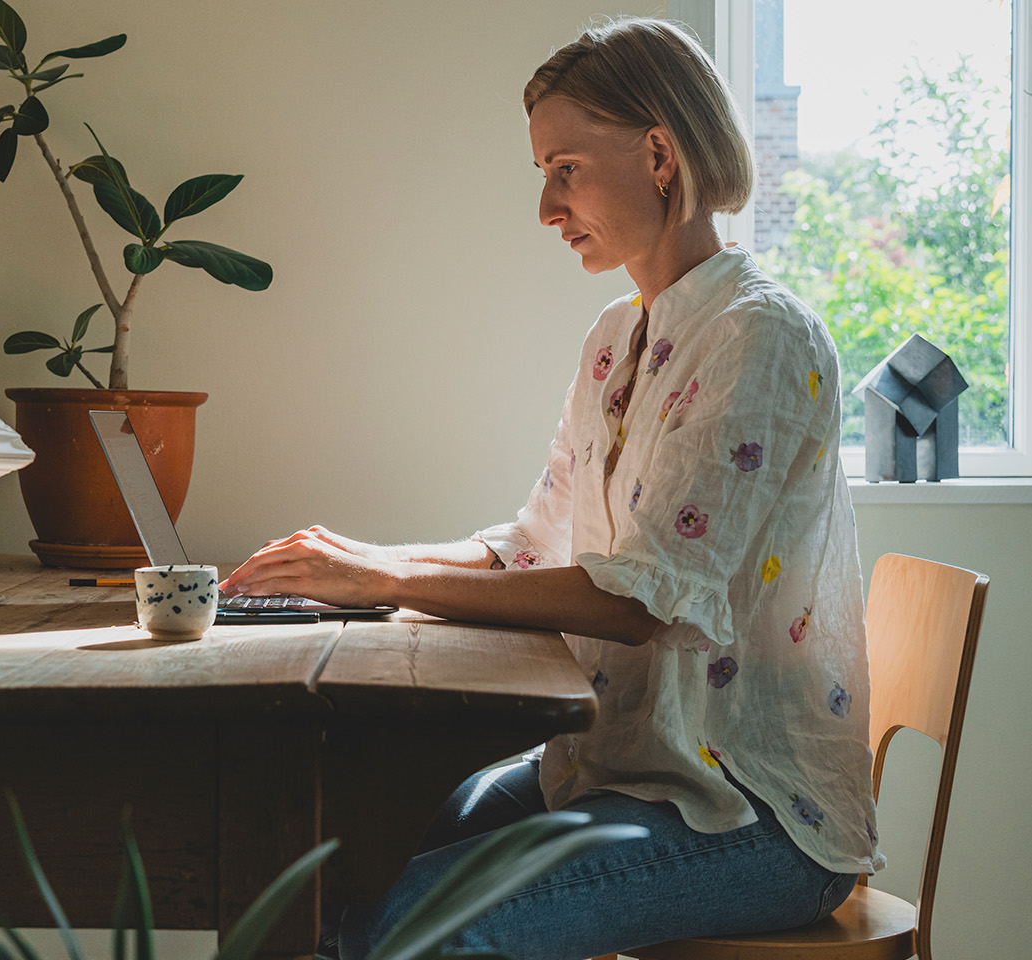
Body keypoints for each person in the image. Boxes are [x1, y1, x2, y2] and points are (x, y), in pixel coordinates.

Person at [219, 16, 882, 960]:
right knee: (329, 869)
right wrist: (357, 560)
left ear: (660, 154)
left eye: (564, 168)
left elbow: (637, 600)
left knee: (401, 934)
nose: (544, 206)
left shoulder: (758, 336)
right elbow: (536, 542)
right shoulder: (618, 336)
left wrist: (386, 585)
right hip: (622, 768)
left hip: (752, 814)